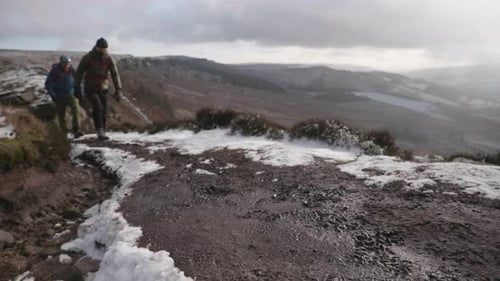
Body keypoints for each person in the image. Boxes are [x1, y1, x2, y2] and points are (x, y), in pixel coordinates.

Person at [74, 37, 122, 140]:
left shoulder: (108, 59)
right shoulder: (88, 58)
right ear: (97, 47)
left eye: (105, 48)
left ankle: (103, 130)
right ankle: (99, 131)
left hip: (103, 87)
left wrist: (118, 89)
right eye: (101, 48)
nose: (103, 50)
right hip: (90, 87)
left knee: (104, 109)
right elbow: (79, 72)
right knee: (97, 106)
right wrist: (76, 86)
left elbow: (114, 74)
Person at [45, 55, 83, 138]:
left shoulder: (72, 71)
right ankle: (64, 133)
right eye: (65, 63)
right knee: (61, 115)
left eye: (68, 64)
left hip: (70, 95)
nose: (66, 65)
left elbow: (78, 82)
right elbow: (48, 84)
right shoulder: (54, 71)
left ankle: (76, 129)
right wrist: (53, 95)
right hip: (59, 96)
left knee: (75, 108)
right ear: (61, 63)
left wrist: (79, 94)